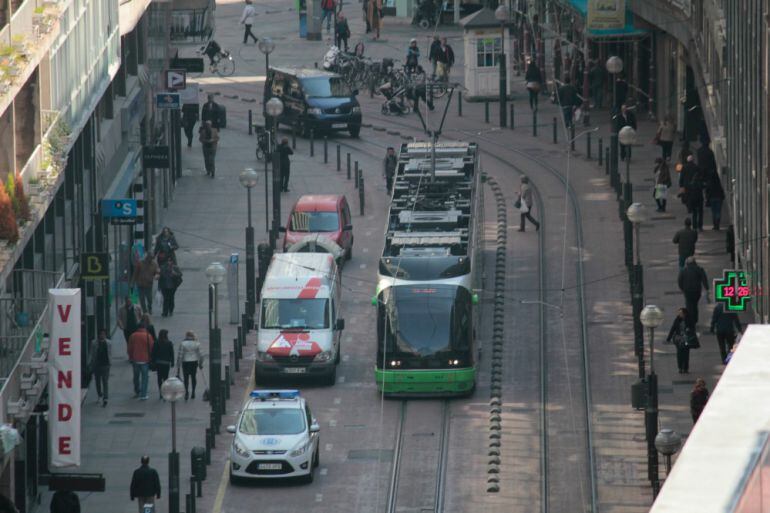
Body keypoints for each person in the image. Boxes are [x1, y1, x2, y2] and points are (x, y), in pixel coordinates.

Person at [678, 256, 709, 324]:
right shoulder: (699, 269)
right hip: (696, 291)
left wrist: (683, 289)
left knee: (689, 305)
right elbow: (704, 279)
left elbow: (680, 281)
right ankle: (695, 319)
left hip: (687, 291)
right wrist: (707, 288)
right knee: (694, 305)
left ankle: (690, 320)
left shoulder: (683, 270)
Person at [127, 324, 154, 400]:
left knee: (136, 377)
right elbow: (152, 348)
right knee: (145, 378)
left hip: (135, 359)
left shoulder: (133, 336)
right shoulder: (148, 336)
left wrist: (130, 357)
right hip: (145, 360)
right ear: (144, 327)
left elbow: (130, 348)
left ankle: (137, 391)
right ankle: (143, 394)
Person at [666, 307, 696, 374]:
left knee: (686, 354)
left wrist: (689, 330)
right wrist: (669, 338)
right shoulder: (677, 320)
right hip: (678, 339)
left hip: (686, 339)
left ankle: (685, 368)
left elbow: (693, 328)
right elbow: (673, 328)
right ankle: (680, 368)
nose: (680, 314)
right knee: (679, 354)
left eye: (681, 313)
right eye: (679, 313)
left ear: (685, 314)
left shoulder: (689, 320)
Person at [177, 331, 203, 400]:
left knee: (186, 378)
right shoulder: (197, 343)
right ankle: (193, 392)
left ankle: (187, 392)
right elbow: (201, 355)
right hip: (194, 362)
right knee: (193, 377)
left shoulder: (183, 343)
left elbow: (180, 355)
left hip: (185, 362)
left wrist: (178, 364)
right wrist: (200, 363)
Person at [89, 329, 112, 407]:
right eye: (101, 334)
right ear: (98, 335)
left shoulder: (109, 343)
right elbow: (92, 354)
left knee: (105, 381)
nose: (102, 336)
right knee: (97, 381)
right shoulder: (94, 343)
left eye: (104, 334)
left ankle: (105, 398)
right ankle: (99, 394)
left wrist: (110, 362)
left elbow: (110, 353)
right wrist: (91, 364)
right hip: (97, 365)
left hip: (106, 364)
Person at [683, 155, 705, 231]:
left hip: (691, 193)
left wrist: (683, 186)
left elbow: (682, 178)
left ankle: (694, 226)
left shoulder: (685, 167)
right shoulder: (697, 168)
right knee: (700, 212)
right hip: (699, 197)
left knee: (694, 212)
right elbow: (703, 184)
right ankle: (700, 226)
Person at [152, 329, 175, 400]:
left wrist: (153, 362)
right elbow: (172, 353)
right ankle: (165, 392)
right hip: (166, 363)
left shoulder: (156, 342)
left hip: (159, 362)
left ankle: (161, 393)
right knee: (165, 378)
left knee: (159, 378)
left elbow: (153, 353)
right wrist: (172, 362)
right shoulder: (169, 343)